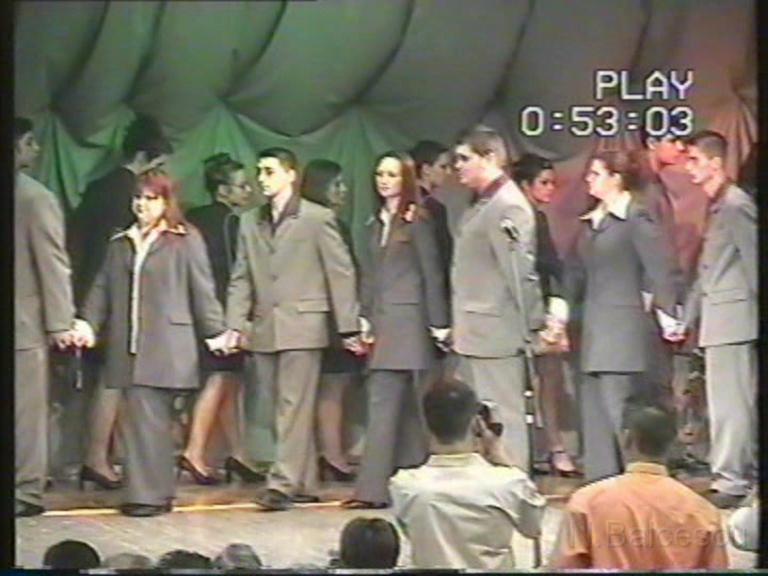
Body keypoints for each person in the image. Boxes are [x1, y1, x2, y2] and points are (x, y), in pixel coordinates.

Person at [77, 171, 230, 517]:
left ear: (165, 201)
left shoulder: (184, 238)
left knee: (153, 419)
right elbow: (102, 287)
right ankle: (152, 493)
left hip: (168, 343)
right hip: (129, 344)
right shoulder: (121, 241)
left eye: (150, 198)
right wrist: (87, 322)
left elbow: (202, 289)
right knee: (142, 420)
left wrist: (216, 331)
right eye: (138, 198)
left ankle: (148, 495)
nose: (142, 205)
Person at [226, 148, 361, 511]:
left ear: (291, 174)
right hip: (266, 324)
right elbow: (241, 276)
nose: (262, 178)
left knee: (292, 406)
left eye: (269, 171)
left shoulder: (317, 218)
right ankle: (304, 480)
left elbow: (340, 272)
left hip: (303, 323)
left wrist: (348, 326)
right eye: (259, 171)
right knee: (279, 408)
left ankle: (282, 483)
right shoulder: (250, 221)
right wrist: (235, 324)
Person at [70, 115, 172, 490]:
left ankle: (102, 456)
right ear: (145, 157)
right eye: (158, 165)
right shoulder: (129, 194)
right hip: (118, 297)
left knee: (109, 380)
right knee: (115, 381)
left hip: (88, 293)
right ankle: (98, 457)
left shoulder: (98, 187)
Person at [342, 151, 449, 509]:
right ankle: (373, 491)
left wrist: (438, 323)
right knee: (383, 408)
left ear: (405, 178)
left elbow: (431, 272)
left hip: (412, 324)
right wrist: (363, 319)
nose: (384, 181)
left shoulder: (417, 219)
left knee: (415, 412)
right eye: (380, 174)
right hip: (384, 325)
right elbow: (369, 277)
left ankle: (415, 487)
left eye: (391, 174)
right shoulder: (374, 223)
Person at [567, 149, 680, 482]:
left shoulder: (636, 217)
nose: (588, 180)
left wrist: (668, 315)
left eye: (596, 174)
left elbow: (659, 269)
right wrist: (559, 314)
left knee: (622, 414)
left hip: (622, 334)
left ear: (616, 178)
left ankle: (640, 486)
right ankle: (601, 485)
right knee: (595, 418)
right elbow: (574, 272)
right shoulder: (591, 222)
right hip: (592, 333)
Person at [450, 125, 544, 472]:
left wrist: (534, 323)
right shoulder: (482, 204)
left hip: (496, 330)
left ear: (489, 157)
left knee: (504, 416)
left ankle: (514, 485)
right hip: (475, 330)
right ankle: (489, 487)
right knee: (481, 419)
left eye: (464, 158)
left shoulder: (508, 206)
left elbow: (520, 272)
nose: (458, 166)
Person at [390, 379, 546, 570]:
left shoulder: (404, 485)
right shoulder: (509, 482)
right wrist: (503, 458)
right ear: (476, 423)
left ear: (426, 424)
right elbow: (533, 528)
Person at [552, 407, 728, 570]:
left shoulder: (586, 501)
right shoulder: (705, 512)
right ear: (673, 443)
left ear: (627, 438)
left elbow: (564, 567)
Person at [682, 131, 757, 509]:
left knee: (732, 404)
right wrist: (686, 317)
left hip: (734, 320)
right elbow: (708, 271)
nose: (688, 167)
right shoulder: (718, 206)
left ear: (715, 163)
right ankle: (730, 474)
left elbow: (754, 262)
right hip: (719, 319)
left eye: (694, 159)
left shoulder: (735, 204)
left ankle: (733, 480)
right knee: (724, 403)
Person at [179, 153, 262, 485]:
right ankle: (195, 451)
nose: (248, 191)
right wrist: (239, 319)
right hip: (223, 311)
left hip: (193, 308)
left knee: (229, 380)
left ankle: (238, 453)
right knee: (219, 378)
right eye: (242, 186)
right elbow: (234, 273)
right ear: (223, 190)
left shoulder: (192, 219)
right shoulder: (231, 223)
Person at [14, 117, 78, 517]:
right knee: (26, 412)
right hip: (23, 324)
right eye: (30, 143)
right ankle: (25, 490)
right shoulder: (34, 198)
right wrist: (60, 323)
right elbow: (52, 263)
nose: (35, 150)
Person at [639, 124, 709, 469]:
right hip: (650, 300)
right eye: (673, 141)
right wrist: (661, 302)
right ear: (653, 143)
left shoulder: (658, 188)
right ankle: (661, 453)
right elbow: (652, 251)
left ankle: (671, 450)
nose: (680, 149)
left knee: (668, 379)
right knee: (657, 381)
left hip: (664, 293)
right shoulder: (645, 191)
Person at [512, 154, 579, 477]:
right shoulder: (520, 216)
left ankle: (554, 447)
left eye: (553, 182)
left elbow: (551, 265)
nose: (550, 188)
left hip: (540, 308)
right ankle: (534, 449)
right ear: (526, 185)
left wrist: (559, 303)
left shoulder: (538, 217)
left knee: (549, 382)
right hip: (517, 311)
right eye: (544, 183)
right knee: (523, 384)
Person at [301, 159, 364, 481]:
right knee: (333, 388)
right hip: (333, 319)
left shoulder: (299, 221)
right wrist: (350, 323)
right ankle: (333, 455)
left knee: (325, 389)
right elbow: (342, 274)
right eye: (336, 184)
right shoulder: (329, 223)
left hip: (314, 318)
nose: (343, 191)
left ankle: (327, 453)